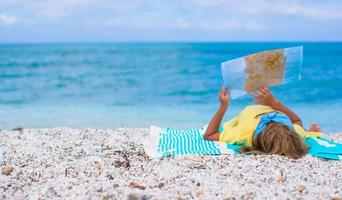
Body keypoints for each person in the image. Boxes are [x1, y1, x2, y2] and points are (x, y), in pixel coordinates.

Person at [203, 86, 322, 159]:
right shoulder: (292, 135)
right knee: (303, 131)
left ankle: (308, 132)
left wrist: (223, 106)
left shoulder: (244, 133)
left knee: (302, 130)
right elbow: (297, 121)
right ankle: (309, 132)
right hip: (260, 113)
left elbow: (209, 135)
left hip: (244, 117)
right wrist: (273, 102)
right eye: (278, 113)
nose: (275, 112)